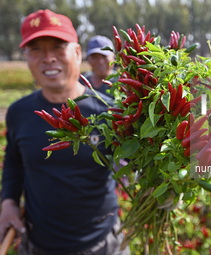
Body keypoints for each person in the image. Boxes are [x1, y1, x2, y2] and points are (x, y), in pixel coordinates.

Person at [0, 9, 129, 255]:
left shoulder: (109, 110)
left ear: (78, 53)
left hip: (104, 245)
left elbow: (136, 162)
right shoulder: (19, 112)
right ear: (25, 56)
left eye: (58, 47)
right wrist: (8, 202)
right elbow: (14, 164)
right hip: (38, 245)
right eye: (36, 49)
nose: (48, 58)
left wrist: (163, 188)